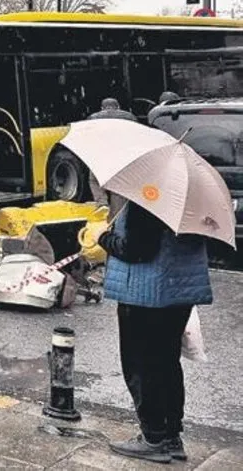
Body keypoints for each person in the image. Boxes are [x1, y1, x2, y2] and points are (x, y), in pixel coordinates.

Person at [94, 195, 213, 464]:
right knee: (167, 363)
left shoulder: (147, 199)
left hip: (144, 293)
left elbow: (136, 249)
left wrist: (102, 237)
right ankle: (171, 436)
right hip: (178, 291)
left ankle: (153, 438)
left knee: (142, 366)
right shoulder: (189, 199)